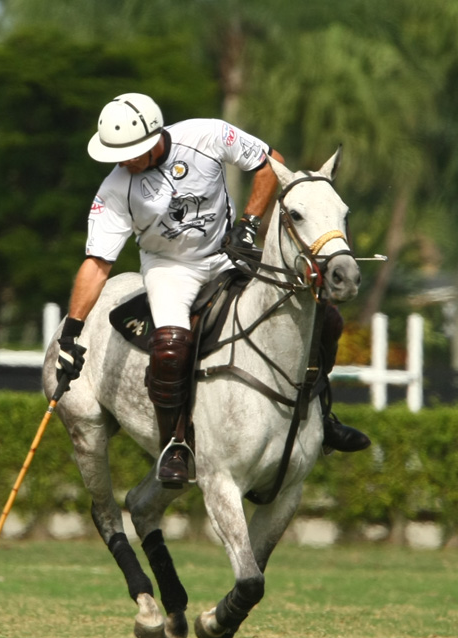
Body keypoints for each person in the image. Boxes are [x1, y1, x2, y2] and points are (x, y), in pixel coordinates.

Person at [56, 93, 369, 486]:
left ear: (156, 136)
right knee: (170, 345)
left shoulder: (205, 134)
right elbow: (97, 263)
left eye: (132, 152)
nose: (125, 162)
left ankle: (323, 414)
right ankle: (176, 445)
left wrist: (249, 225)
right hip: (170, 269)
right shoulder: (114, 190)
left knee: (326, 317)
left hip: (228, 251)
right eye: (118, 155)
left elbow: (270, 163)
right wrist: (72, 330)